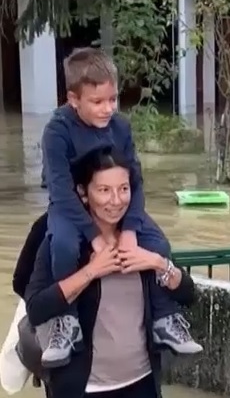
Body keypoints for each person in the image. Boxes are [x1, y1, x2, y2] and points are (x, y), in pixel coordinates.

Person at [25, 148, 196, 398]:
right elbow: (37, 307)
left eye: (123, 189)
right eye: (103, 190)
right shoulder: (58, 239)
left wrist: (158, 264)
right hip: (85, 385)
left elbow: (187, 293)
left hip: (139, 382)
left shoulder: (143, 237)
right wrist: (90, 272)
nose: (115, 200)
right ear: (82, 193)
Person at [39, 47, 201, 368]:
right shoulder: (57, 131)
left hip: (118, 202)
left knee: (157, 243)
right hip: (73, 206)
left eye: (112, 99)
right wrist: (95, 238)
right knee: (65, 245)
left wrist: (129, 231)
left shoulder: (121, 127)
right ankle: (66, 322)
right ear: (73, 100)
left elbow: (136, 182)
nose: (107, 109)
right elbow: (60, 190)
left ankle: (165, 319)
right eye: (97, 102)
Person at [12, 212, 172, 398]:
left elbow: (21, 282)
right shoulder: (134, 223)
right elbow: (23, 284)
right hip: (98, 337)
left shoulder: (133, 227)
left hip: (96, 343)